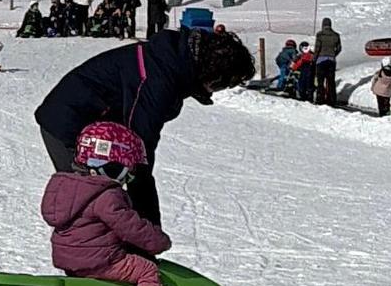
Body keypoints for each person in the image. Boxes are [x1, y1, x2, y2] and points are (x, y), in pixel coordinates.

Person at [35, 27, 255, 225]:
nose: (217, 91)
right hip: (68, 125)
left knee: (107, 200)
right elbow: (139, 149)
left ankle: (110, 255)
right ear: (214, 73)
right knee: (91, 200)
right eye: (224, 83)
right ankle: (87, 258)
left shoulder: (173, 62)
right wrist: (149, 223)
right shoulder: (161, 76)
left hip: (95, 130)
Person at [41, 121, 187, 286]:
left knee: (123, 272)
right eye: (127, 172)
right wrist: (158, 241)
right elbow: (131, 227)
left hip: (70, 260)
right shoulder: (106, 194)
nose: (128, 179)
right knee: (145, 270)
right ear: (110, 166)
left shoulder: (66, 187)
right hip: (98, 261)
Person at [314, 17, 341, 106]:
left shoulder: (320, 35)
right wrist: (333, 54)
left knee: (320, 82)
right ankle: (332, 100)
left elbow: (317, 48)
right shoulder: (336, 35)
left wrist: (315, 58)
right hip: (331, 60)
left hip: (321, 60)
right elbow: (339, 48)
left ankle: (320, 99)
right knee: (331, 81)